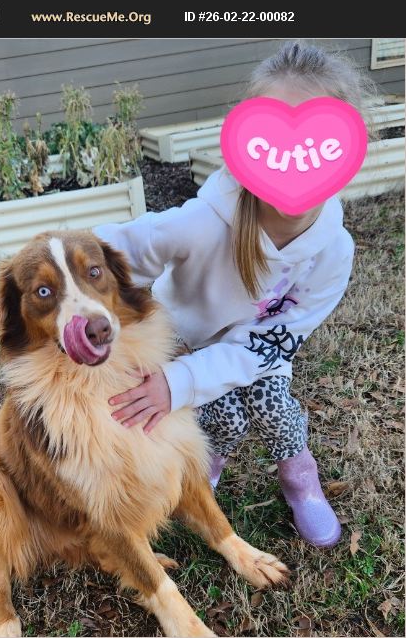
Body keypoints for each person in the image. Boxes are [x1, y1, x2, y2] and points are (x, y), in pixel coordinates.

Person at [93, 41, 376, 548]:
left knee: (273, 405)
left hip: (256, 353)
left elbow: (269, 345)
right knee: (222, 417)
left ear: (346, 146)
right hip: (183, 342)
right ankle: (204, 470)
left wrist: (181, 383)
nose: (294, 159)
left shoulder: (334, 252)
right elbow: (116, 251)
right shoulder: (202, 223)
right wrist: (57, 276)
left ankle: (299, 478)